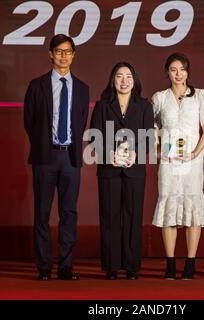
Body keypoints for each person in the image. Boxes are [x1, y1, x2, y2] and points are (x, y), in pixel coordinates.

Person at [24, 34, 89, 281]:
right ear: (50, 54)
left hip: (70, 157)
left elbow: (80, 122)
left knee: (69, 213)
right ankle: (43, 268)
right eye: (59, 51)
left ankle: (66, 267)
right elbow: (29, 122)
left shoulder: (82, 88)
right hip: (45, 156)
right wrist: (44, 145)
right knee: (42, 213)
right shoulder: (37, 85)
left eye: (68, 51)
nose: (64, 55)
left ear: (74, 55)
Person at [89, 62, 154, 280]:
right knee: (110, 216)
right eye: (119, 76)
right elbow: (93, 137)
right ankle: (111, 266)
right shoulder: (102, 105)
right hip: (109, 170)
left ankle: (132, 266)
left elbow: (149, 137)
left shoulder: (144, 106)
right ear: (112, 80)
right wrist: (109, 156)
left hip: (135, 171)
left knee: (133, 216)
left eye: (128, 76)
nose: (124, 81)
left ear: (134, 81)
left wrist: (137, 154)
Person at [152, 53, 204, 280]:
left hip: (192, 163)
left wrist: (195, 153)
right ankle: (170, 263)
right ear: (167, 72)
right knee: (168, 205)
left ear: (188, 72)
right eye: (174, 69)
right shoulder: (159, 98)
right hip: (168, 163)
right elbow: (153, 128)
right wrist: (159, 151)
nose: (178, 74)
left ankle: (190, 263)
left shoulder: (200, 96)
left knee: (192, 207)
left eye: (182, 69)